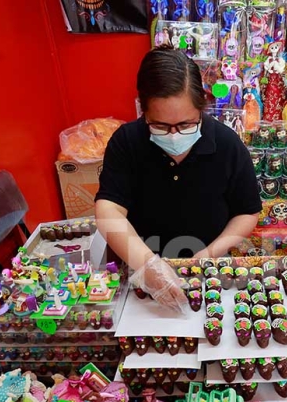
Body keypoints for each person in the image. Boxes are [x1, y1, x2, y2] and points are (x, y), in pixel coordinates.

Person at [95, 46, 261, 311]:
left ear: (202, 107)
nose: (174, 135)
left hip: (209, 272)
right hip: (141, 274)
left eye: (186, 124)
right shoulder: (127, 142)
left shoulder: (228, 145)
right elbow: (108, 209)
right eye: (159, 125)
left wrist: (208, 255)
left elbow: (247, 213)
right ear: (143, 111)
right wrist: (148, 264)